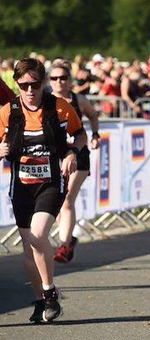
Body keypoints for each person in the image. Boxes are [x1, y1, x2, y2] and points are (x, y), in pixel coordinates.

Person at [0, 59, 86, 323]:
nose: (29, 90)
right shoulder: (8, 111)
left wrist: (72, 152)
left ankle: (49, 292)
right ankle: (41, 300)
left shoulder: (59, 107)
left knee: (38, 236)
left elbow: (79, 134)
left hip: (51, 183)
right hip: (21, 188)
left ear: (43, 83)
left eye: (35, 84)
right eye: (23, 85)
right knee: (29, 248)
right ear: (17, 84)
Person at [47, 62, 100, 264]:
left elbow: (93, 115)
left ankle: (63, 244)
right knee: (59, 200)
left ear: (70, 81)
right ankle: (68, 240)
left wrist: (95, 134)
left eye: (62, 78)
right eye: (54, 78)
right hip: (55, 156)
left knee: (67, 199)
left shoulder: (79, 99)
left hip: (78, 155)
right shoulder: (47, 101)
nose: (58, 82)